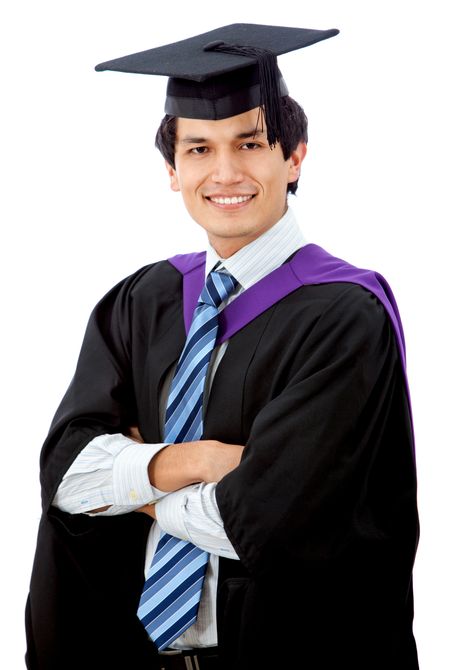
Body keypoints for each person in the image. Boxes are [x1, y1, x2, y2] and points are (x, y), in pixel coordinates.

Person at [25, 23, 420, 670]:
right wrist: (201, 460)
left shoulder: (345, 317)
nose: (226, 171)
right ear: (173, 171)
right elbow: (66, 476)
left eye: (251, 142)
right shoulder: (143, 300)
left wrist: (133, 487)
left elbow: (267, 524)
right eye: (200, 149)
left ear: (294, 157)